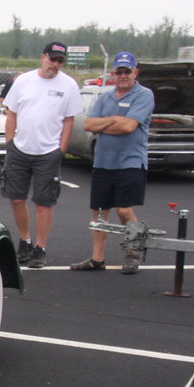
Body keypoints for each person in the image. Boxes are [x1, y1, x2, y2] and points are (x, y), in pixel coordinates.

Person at [70, 51, 154, 274]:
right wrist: (116, 120)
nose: (123, 75)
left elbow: (128, 127)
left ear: (135, 72)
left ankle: (133, 251)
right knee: (99, 213)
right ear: (113, 74)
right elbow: (89, 125)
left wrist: (107, 124)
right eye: (119, 72)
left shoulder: (143, 95)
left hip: (130, 162)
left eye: (127, 71)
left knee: (125, 210)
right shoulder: (105, 97)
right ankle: (97, 258)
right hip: (102, 163)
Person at [1, 41, 82, 268]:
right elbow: (11, 114)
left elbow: (69, 121)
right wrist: (10, 144)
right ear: (43, 57)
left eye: (60, 61)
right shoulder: (24, 81)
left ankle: (40, 248)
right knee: (16, 198)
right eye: (52, 59)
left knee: (44, 202)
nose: (55, 64)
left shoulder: (69, 85)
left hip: (48, 152)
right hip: (20, 149)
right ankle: (25, 241)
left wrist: (61, 150)